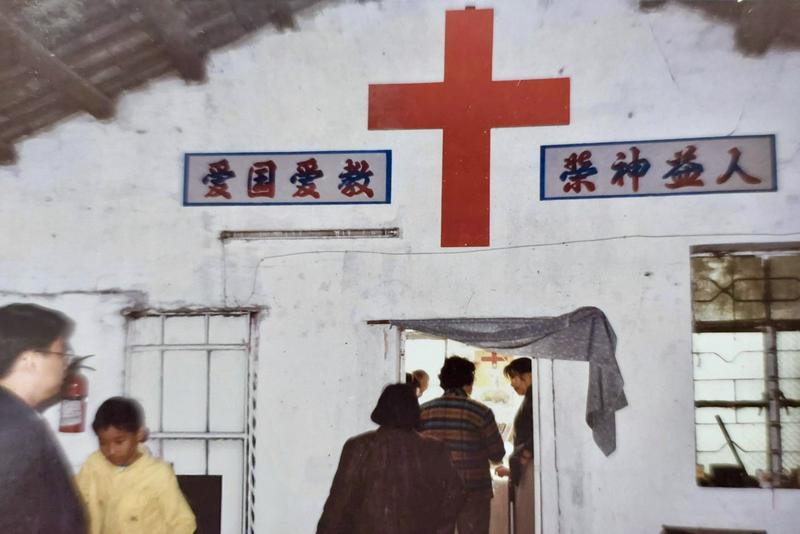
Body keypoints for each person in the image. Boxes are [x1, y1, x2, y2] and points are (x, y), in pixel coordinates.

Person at [317, 383, 464, 534]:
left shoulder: (359, 447)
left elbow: (338, 504)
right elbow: (454, 497)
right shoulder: (436, 449)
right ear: (414, 411)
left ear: (381, 409)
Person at [0, 303, 87, 534]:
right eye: (61, 354)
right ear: (30, 360)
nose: (66, 364)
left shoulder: (16, 416)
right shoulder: (14, 427)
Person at [76, 396, 196, 534]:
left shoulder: (158, 473)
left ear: (139, 434)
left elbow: (183, 523)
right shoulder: (93, 465)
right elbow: (73, 504)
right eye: (103, 443)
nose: (111, 450)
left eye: (119, 442)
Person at [419, 356, 505, 534]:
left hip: (434, 488)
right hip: (473, 488)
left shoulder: (422, 411)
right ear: (469, 383)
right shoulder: (481, 412)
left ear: (443, 382)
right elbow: (497, 454)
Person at [495, 357, 535, 533]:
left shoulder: (535, 399)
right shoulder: (530, 398)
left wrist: (522, 461)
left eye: (514, 377)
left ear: (529, 375)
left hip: (529, 469)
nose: (512, 383)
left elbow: (535, 436)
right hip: (526, 468)